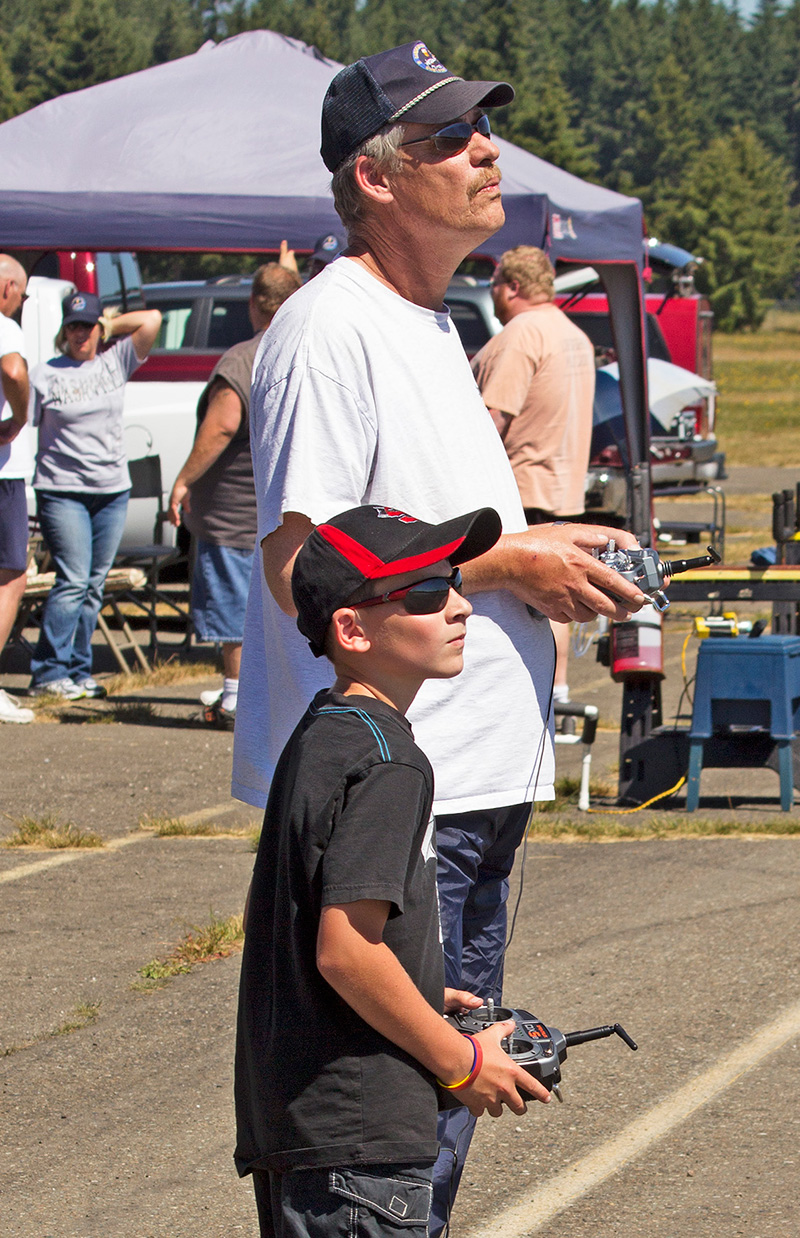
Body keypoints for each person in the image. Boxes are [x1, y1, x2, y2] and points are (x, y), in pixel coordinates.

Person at [233, 40, 644, 1231]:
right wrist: (510, 561)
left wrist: (553, 537)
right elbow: (300, 560)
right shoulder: (331, 330)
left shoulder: (424, 318)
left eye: (482, 127)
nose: (485, 151)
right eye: (449, 136)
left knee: (425, 1137)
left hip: (460, 783)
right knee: (395, 1138)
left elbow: (402, 531)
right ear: (374, 176)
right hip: (413, 799)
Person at [235, 502, 551, 1238]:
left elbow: (319, 925)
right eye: (426, 593)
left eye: (454, 583)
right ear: (351, 629)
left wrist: (411, 981)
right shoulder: (390, 762)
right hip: (361, 1145)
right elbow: (345, 951)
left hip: (309, 1129)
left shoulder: (325, 732)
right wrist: (463, 1061)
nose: (460, 606)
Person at [167, 263, 301, 728]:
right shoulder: (303, 348)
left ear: (252, 305)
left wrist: (183, 479)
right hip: (285, 509)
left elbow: (223, 424)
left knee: (232, 610)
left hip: (234, 512)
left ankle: (235, 699)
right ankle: (262, 697)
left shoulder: (244, 358)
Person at [472, 245, 596, 707]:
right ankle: (557, 687)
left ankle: (526, 694)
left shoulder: (521, 334)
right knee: (557, 597)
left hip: (521, 484)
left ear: (514, 287)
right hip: (564, 484)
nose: (494, 295)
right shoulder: (572, 334)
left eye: (495, 286)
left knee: (516, 600)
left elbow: (492, 417)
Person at [27, 292, 161, 699]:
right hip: (62, 490)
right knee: (73, 578)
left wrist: (109, 322)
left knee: (93, 584)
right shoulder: (44, 374)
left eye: (87, 326)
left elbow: (152, 319)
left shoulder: (114, 361)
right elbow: (22, 421)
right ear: (63, 331)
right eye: (73, 326)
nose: (80, 333)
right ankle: (49, 673)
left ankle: (79, 671)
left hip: (111, 491)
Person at [0, 255, 34, 723]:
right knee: (11, 575)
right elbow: (14, 371)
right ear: (8, 288)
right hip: (2, 473)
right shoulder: (5, 326)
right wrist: (19, 417)